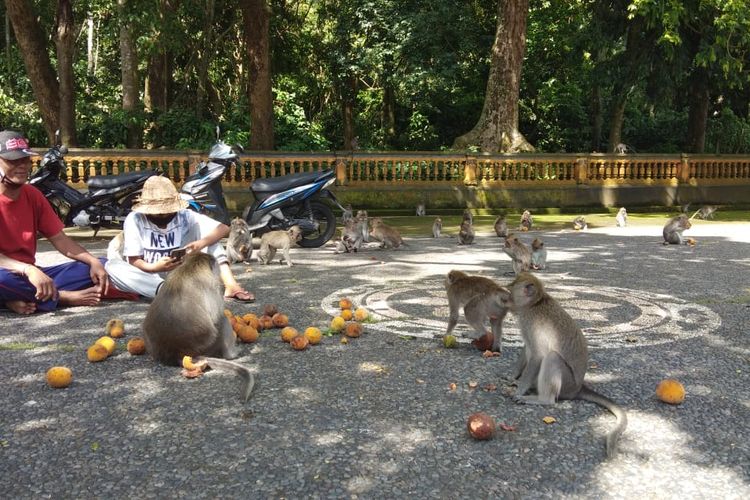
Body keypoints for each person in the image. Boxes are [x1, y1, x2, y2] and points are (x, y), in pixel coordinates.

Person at [0, 129, 120, 314]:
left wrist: (92, 260)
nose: (22, 165)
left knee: (102, 265)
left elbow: (60, 240)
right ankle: (62, 297)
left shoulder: (32, 195)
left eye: (25, 159)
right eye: (13, 160)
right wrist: (28, 270)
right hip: (10, 273)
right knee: (3, 280)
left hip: (33, 277)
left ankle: (17, 297)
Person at [105, 175, 255, 302]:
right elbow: (134, 260)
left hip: (181, 274)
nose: (163, 216)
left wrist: (199, 244)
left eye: (167, 212)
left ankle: (231, 285)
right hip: (147, 277)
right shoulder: (135, 219)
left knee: (211, 238)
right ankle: (167, 291)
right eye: (158, 213)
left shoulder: (184, 215)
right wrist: (154, 267)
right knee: (111, 266)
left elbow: (223, 228)